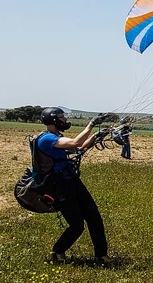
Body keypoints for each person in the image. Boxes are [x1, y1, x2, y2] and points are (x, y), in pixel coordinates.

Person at [36, 107, 113, 265]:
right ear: (53, 120)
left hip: (72, 181)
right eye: (61, 117)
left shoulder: (56, 137)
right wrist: (91, 124)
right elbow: (75, 142)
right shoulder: (46, 139)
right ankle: (57, 252)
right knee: (77, 225)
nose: (64, 119)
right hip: (59, 186)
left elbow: (78, 148)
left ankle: (101, 256)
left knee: (94, 217)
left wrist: (97, 135)